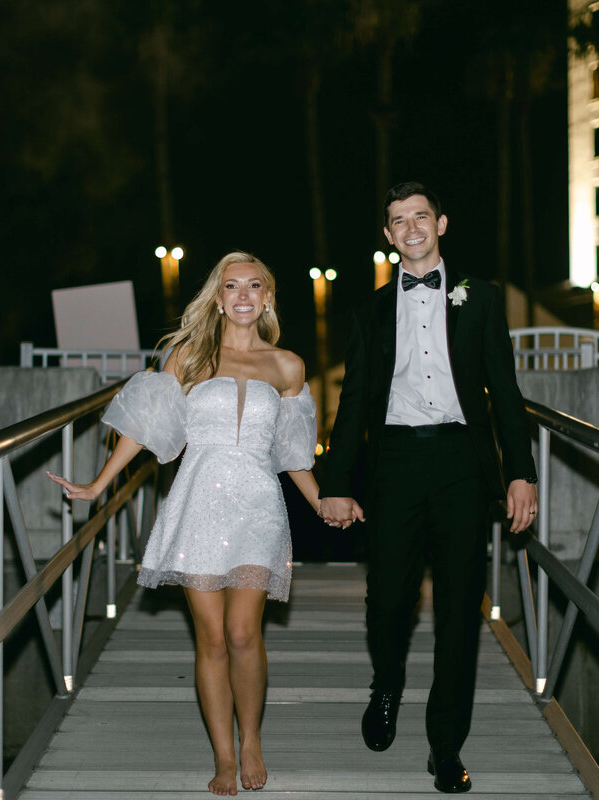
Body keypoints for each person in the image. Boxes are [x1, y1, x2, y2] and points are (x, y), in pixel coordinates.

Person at [48, 251, 337, 796]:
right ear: (219, 297)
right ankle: (223, 757)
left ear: (269, 297)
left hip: (258, 505)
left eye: (255, 286)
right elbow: (145, 427)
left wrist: (321, 503)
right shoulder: (190, 356)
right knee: (211, 639)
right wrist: (97, 484)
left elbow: (295, 451)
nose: (244, 295)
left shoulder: (289, 366)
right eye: (233, 286)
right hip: (199, 502)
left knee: (243, 632)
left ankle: (251, 739)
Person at [319, 182, 538, 794]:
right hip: (393, 462)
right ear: (388, 236)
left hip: (463, 464)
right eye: (398, 221)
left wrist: (521, 471)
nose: (411, 228)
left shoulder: (484, 300)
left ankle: (446, 745)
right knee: (388, 597)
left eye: (421, 216)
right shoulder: (366, 313)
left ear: (441, 223)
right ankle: (386, 684)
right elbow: (352, 401)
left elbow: (507, 392)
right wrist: (337, 482)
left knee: (458, 608)